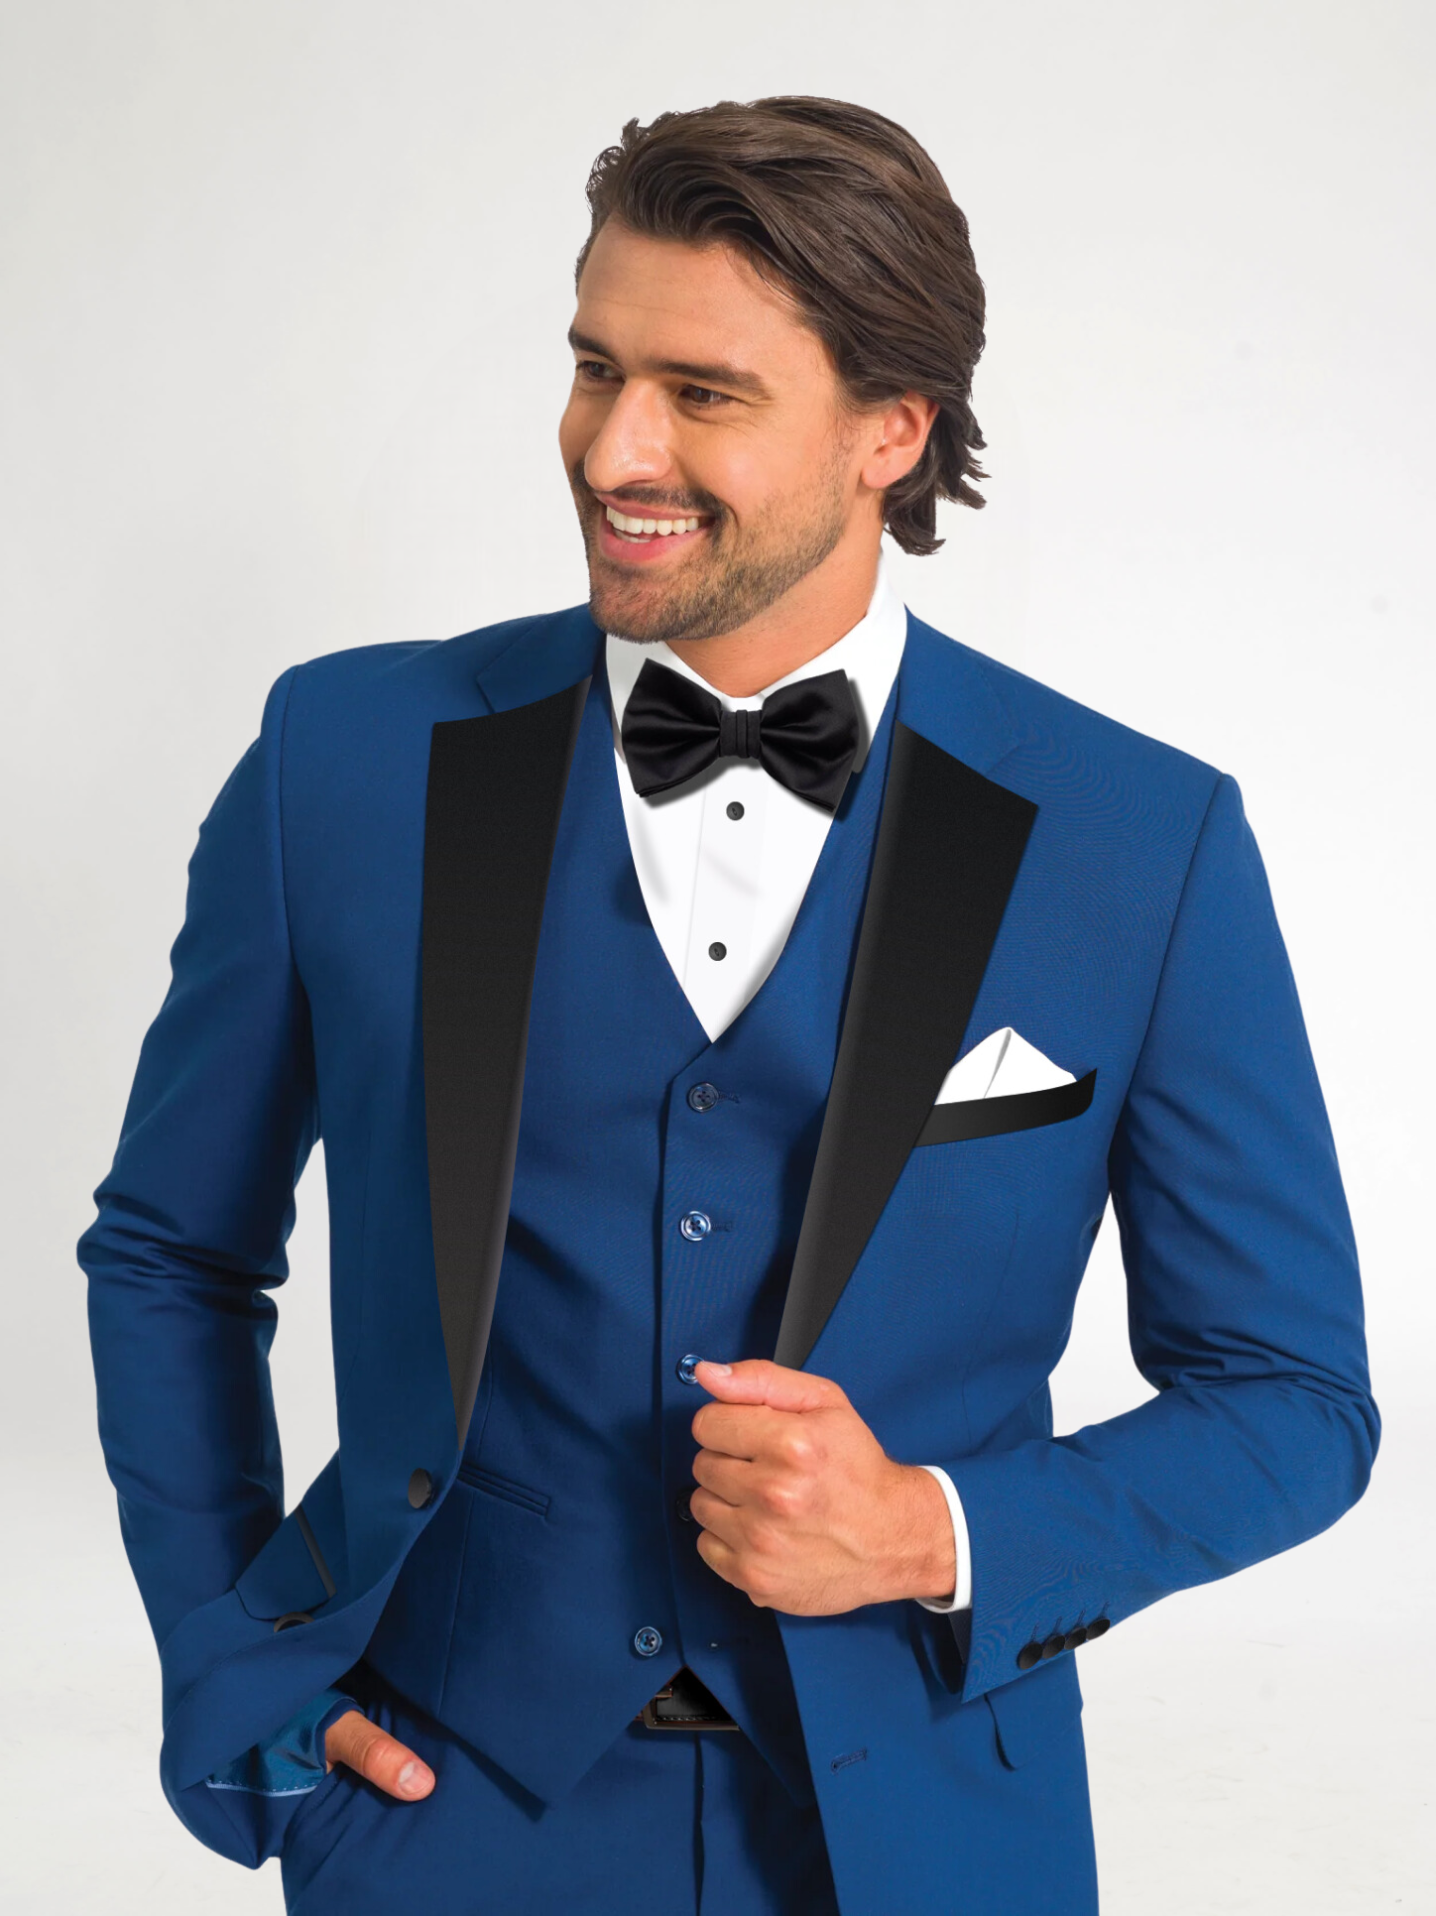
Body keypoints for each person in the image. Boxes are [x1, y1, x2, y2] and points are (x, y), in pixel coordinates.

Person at [78, 96, 1378, 1916]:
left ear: (889, 432)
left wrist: (931, 1530)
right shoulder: (346, 759)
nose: (616, 447)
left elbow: (1293, 1397)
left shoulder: (1137, 842)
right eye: (593, 367)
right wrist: (246, 1682)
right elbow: (170, 1251)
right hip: (439, 1812)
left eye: (703, 392)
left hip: (932, 1833)